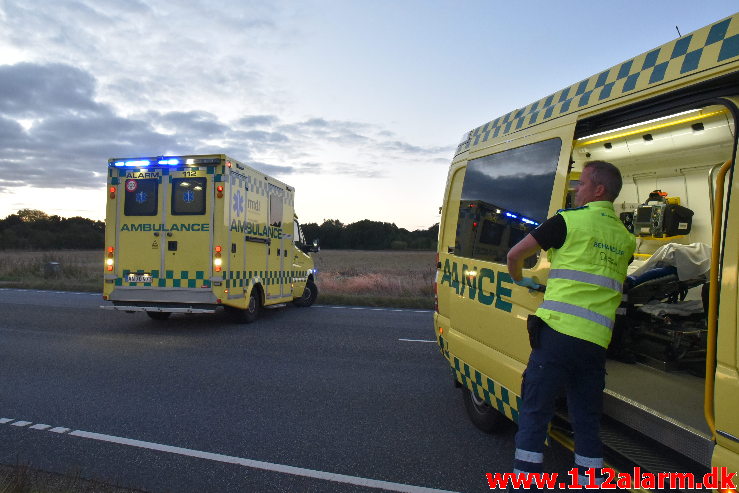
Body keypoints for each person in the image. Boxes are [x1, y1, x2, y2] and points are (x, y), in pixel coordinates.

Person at [506, 160, 636, 489]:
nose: (576, 190)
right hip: (595, 343)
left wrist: (523, 281)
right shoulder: (625, 238)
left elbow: (514, 255)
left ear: (599, 189)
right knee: (587, 421)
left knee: (536, 412)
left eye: (582, 184)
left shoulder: (567, 221)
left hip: (558, 337)